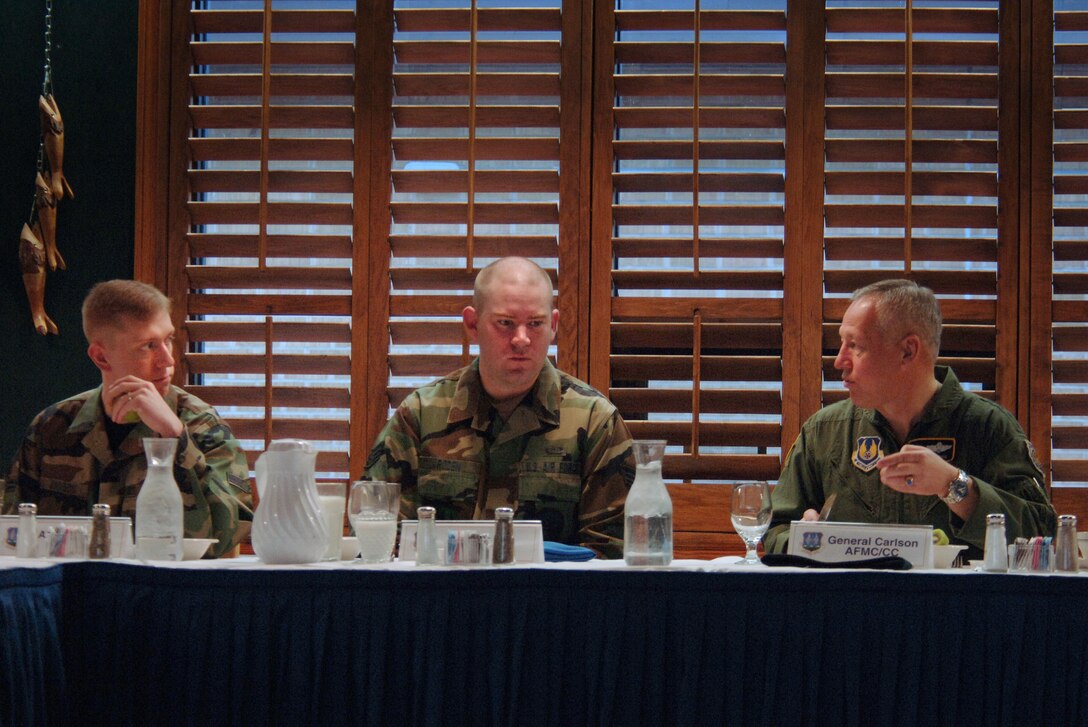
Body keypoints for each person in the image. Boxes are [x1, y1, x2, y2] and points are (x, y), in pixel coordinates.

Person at [364, 257, 636, 558]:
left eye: (535, 324)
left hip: (554, 588)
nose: (521, 339)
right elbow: (376, 540)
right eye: (505, 323)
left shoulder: (595, 420)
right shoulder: (421, 414)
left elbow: (611, 554)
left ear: (554, 325)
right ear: (473, 324)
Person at [765, 279, 1056, 557]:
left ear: (907, 351)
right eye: (842, 343)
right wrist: (804, 539)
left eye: (856, 346)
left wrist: (955, 487)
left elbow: (1043, 534)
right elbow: (774, 529)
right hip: (851, 593)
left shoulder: (988, 427)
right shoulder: (825, 431)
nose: (839, 361)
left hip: (960, 593)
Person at [5, 279, 252, 557]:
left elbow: (230, 533)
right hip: (73, 583)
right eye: (149, 346)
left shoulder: (201, 424)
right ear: (101, 358)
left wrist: (175, 437)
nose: (168, 360)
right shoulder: (52, 427)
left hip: (164, 582)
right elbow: (12, 537)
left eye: (168, 340)